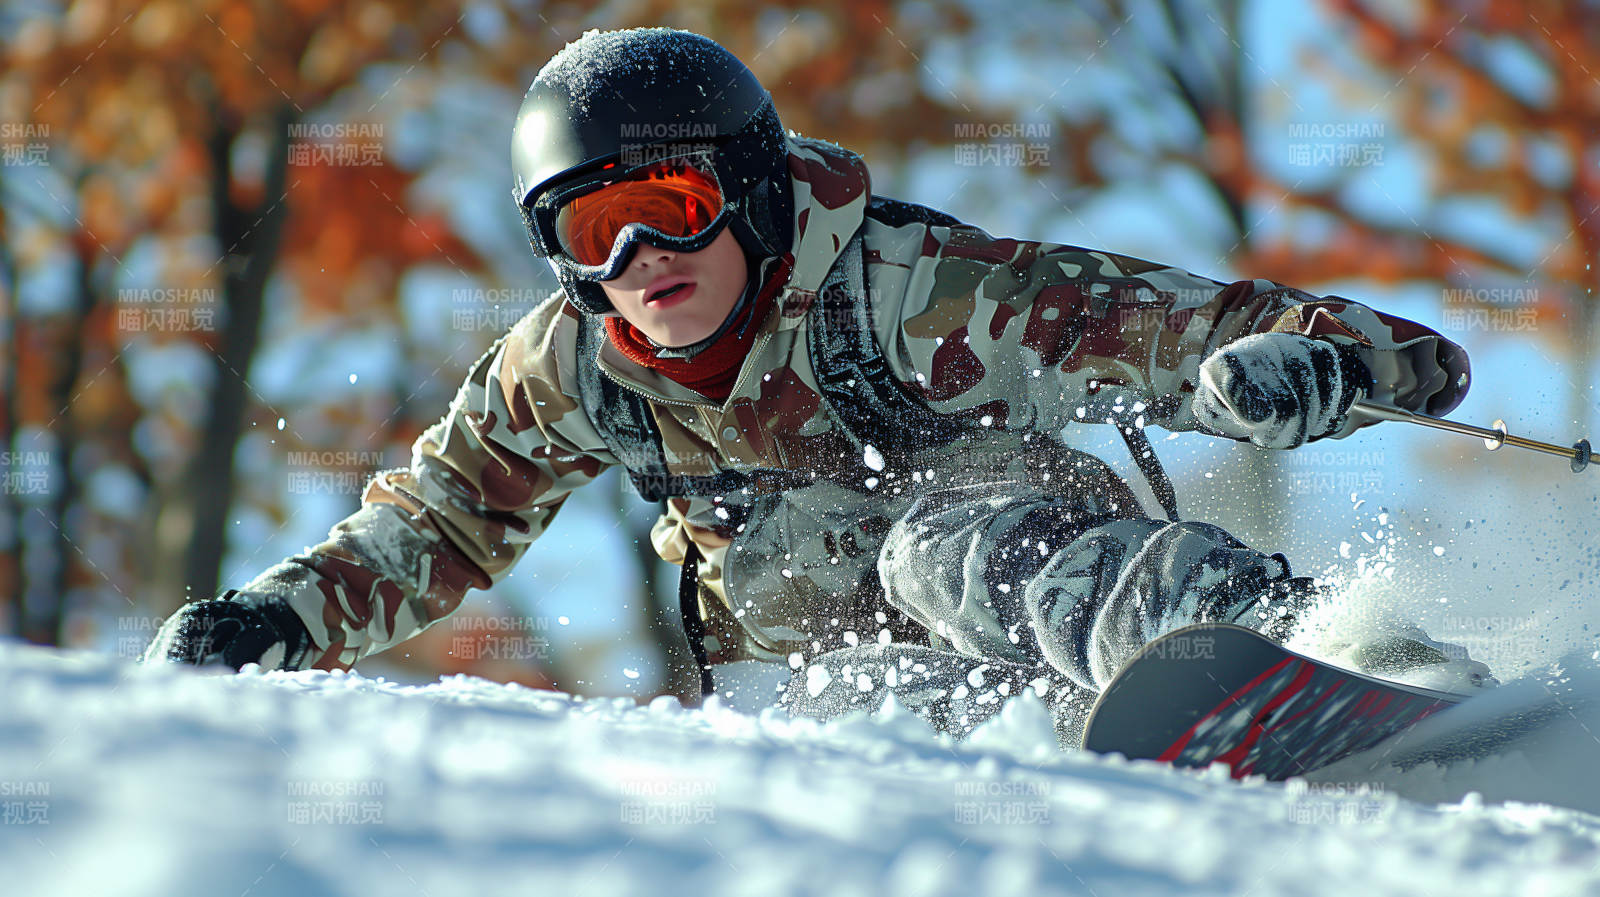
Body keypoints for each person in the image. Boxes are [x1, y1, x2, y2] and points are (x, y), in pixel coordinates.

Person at [143, 27, 1487, 744]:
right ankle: (1127, 762)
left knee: (935, 549)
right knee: (851, 676)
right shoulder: (573, 372)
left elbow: (1202, 330)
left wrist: (1316, 366)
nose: (638, 262)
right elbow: (432, 525)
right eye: (588, 231)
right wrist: (270, 623)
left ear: (744, 191)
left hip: (1040, 583)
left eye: (666, 205)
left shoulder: (909, 290)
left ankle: (1304, 650)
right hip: (863, 693)